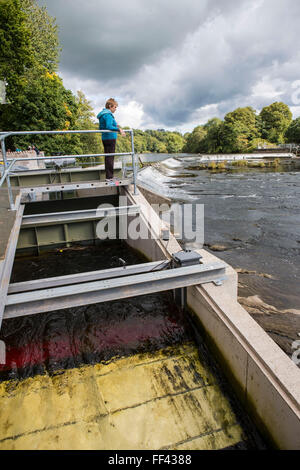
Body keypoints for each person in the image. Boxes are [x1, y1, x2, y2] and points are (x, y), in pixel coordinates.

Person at [97, 98, 125, 183]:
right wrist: (118, 129)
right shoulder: (108, 115)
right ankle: (109, 177)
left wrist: (117, 126)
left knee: (108, 157)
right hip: (110, 138)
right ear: (110, 106)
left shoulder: (103, 114)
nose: (115, 109)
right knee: (110, 157)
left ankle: (109, 176)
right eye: (115, 107)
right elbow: (109, 126)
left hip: (105, 138)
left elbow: (102, 127)